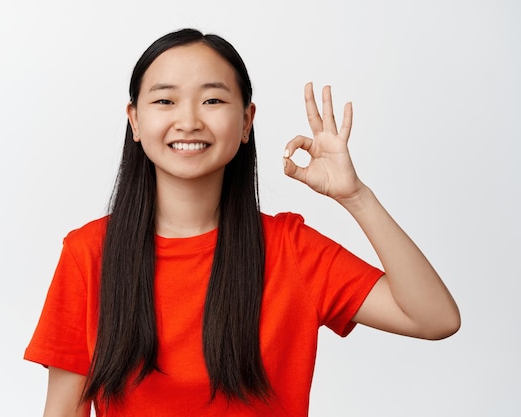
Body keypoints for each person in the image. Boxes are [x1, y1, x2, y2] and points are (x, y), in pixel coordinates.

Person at [24, 28, 460, 417]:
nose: (189, 120)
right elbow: (63, 410)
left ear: (247, 121)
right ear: (135, 121)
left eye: (213, 100)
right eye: (164, 100)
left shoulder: (292, 249)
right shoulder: (89, 253)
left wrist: (356, 197)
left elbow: (434, 319)